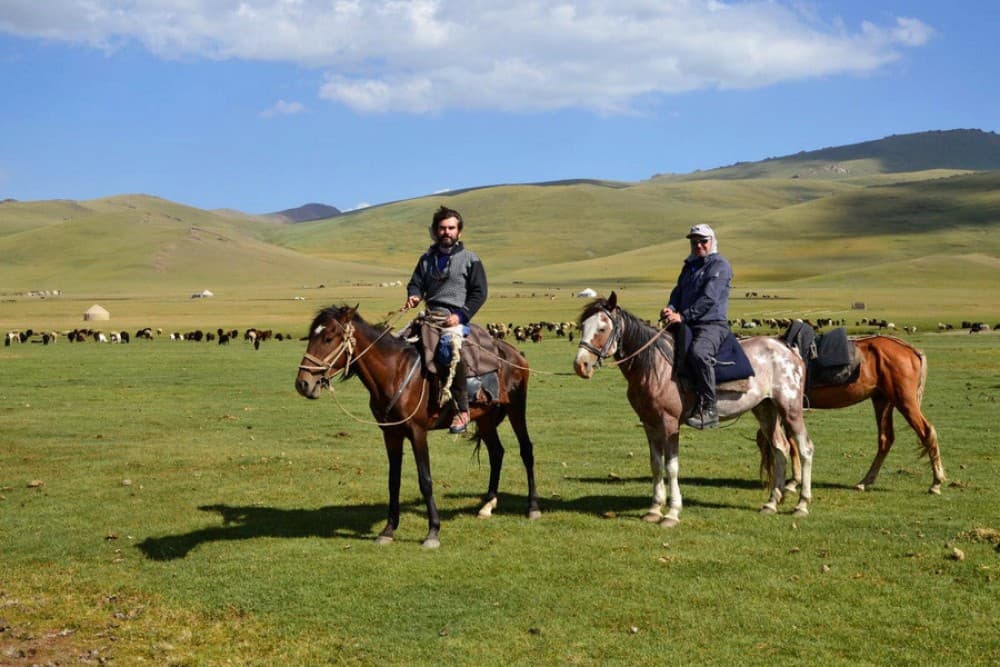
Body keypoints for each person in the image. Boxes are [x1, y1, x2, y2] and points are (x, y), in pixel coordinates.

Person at [404, 205, 488, 433]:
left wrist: (460, 316)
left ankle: (461, 410)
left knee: (447, 350)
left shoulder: (471, 259)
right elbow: (416, 283)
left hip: (455, 318)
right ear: (434, 231)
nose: (446, 232)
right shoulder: (426, 259)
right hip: (429, 316)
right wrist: (413, 295)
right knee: (396, 346)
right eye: (442, 228)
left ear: (459, 232)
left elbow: (480, 292)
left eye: (451, 228)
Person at [660, 223, 733, 429]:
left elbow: (709, 298)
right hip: (686, 321)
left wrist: (682, 316)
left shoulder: (719, 265)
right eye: (694, 242)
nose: (698, 245)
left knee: (699, 353)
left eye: (703, 241)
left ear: (712, 242)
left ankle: (709, 408)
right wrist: (670, 308)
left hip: (711, 323)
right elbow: (678, 291)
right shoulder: (690, 265)